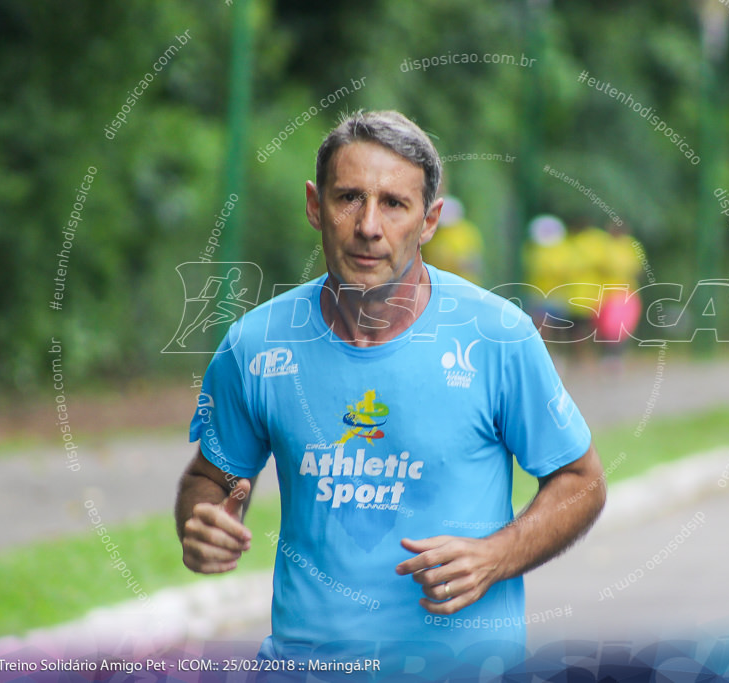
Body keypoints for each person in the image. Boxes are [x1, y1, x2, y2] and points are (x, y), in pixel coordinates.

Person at [174, 110, 605, 674]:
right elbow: (215, 475)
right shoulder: (257, 344)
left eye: (394, 204)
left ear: (429, 221)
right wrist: (206, 518)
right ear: (314, 205)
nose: (368, 226)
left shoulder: (496, 337)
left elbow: (581, 482)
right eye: (349, 198)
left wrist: (496, 556)